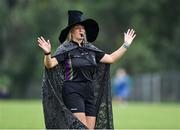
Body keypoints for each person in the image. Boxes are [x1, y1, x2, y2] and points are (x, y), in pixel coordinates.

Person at [37, 10, 136, 129]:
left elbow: (110, 58)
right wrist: (47, 53)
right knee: (81, 127)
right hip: (73, 91)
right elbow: (49, 64)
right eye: (78, 28)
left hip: (89, 91)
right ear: (71, 32)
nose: (81, 30)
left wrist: (126, 45)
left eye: (82, 28)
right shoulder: (65, 49)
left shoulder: (91, 49)